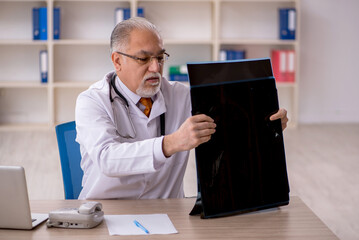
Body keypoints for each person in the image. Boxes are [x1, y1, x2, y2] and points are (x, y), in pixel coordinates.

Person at [75, 17, 288, 200]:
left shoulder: (180, 95)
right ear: (117, 61)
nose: (155, 68)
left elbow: (228, 127)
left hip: (168, 214)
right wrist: (172, 143)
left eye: (160, 57)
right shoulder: (92, 101)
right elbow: (106, 158)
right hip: (107, 213)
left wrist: (264, 122)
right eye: (143, 58)